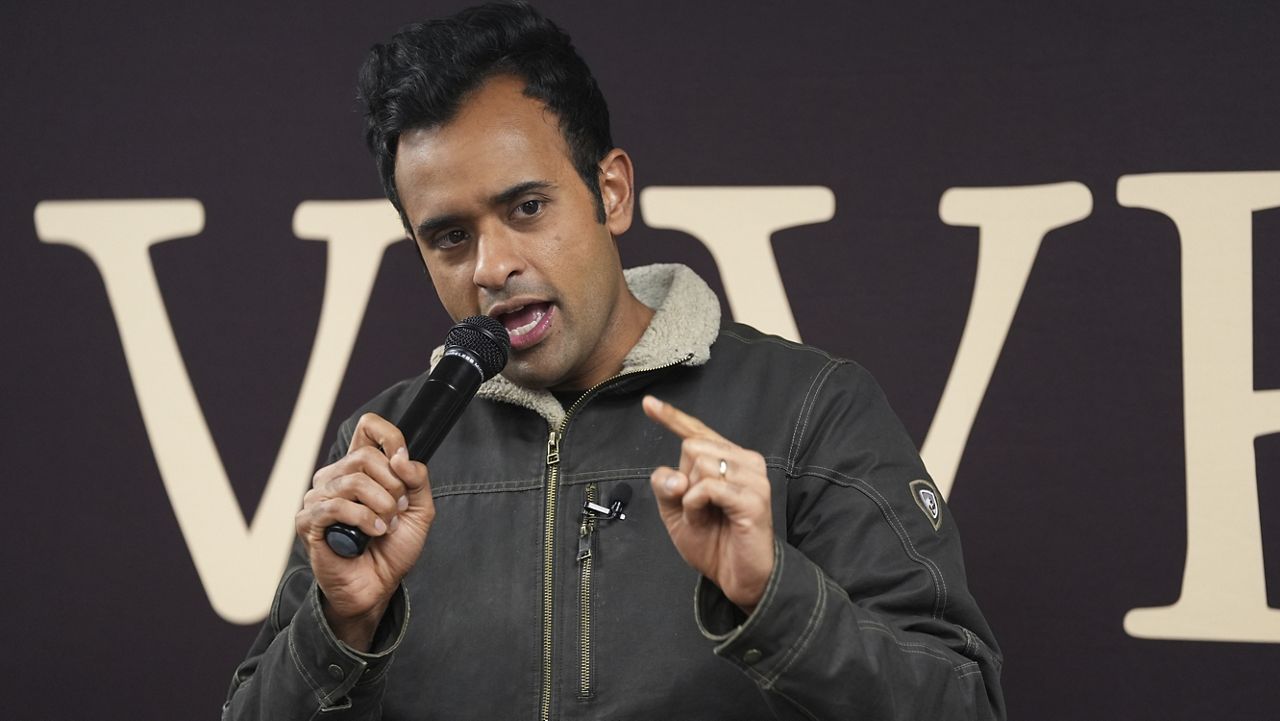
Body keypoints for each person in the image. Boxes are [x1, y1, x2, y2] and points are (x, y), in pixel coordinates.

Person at [223, 3, 1004, 719]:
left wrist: (777, 597)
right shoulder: (383, 449)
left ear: (613, 191)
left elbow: (963, 701)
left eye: (527, 208)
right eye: (450, 236)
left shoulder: (809, 407)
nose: (492, 265)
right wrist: (342, 625)